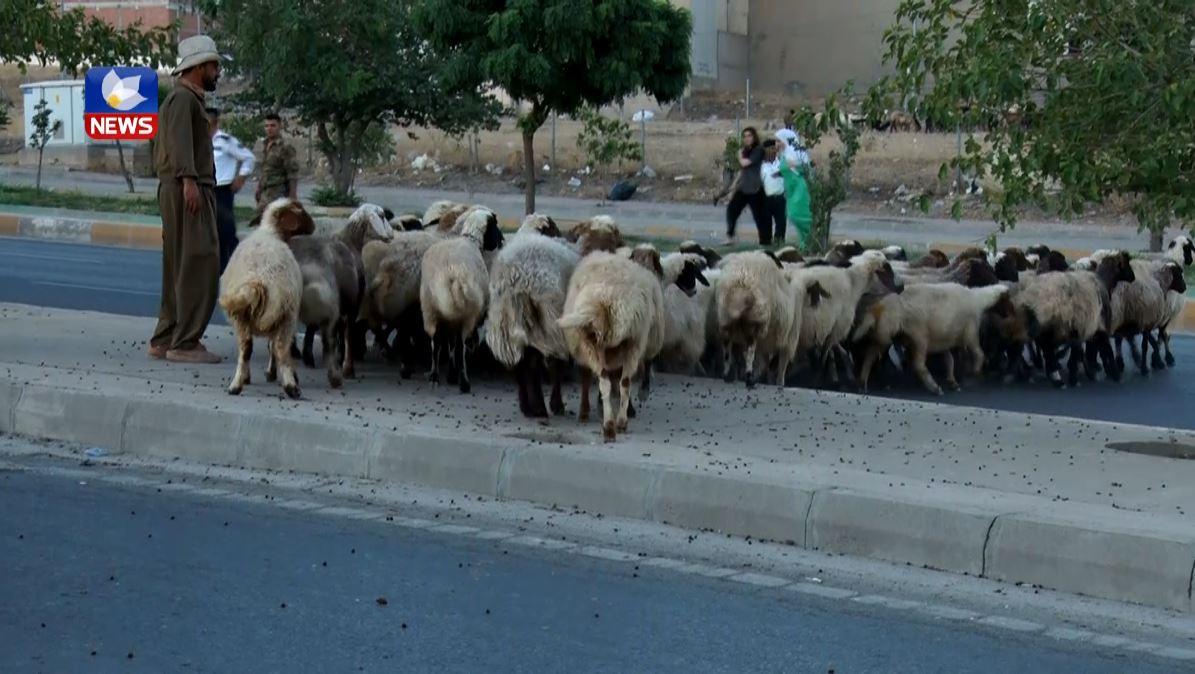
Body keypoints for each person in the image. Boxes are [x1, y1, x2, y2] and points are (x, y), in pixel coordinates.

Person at [147, 35, 223, 364]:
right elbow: (179, 144)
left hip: (182, 187)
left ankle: (166, 339)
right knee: (199, 263)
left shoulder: (188, 99)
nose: (218, 71)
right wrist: (189, 179)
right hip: (187, 188)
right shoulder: (182, 100)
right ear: (198, 67)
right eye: (214, 65)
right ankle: (185, 343)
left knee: (179, 265)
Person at [207, 107, 255, 273]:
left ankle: (237, 266)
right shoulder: (199, 141)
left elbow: (248, 157)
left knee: (226, 230)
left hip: (222, 190)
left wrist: (241, 178)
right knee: (209, 231)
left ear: (215, 121)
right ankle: (217, 266)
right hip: (206, 190)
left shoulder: (225, 141)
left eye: (209, 120)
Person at [724, 127, 770, 246]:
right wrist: (733, 187)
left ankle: (764, 242)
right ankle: (731, 236)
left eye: (749, 135)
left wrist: (739, 155)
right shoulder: (745, 151)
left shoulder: (758, 150)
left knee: (760, 218)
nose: (747, 138)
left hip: (755, 189)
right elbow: (742, 170)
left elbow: (745, 163)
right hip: (743, 188)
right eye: (744, 136)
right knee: (732, 210)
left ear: (754, 137)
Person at [252, 112, 299, 225]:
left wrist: (292, 196)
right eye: (267, 126)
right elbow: (265, 169)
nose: (269, 129)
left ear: (279, 126)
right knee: (261, 221)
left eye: (273, 125)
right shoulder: (265, 145)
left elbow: (292, 173)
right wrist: (258, 188)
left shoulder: (285, 147)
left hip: (278, 192)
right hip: (265, 191)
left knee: (274, 223)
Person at [776, 129, 814, 251]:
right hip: (791, 190)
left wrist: (794, 167)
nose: (776, 144)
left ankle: (811, 241)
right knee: (793, 215)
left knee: (798, 215)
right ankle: (805, 244)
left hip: (799, 189)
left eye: (778, 141)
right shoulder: (785, 154)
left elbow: (803, 169)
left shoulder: (794, 153)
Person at [760, 139, 787, 243]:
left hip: (780, 198)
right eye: (771, 148)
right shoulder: (761, 166)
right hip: (766, 200)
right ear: (766, 150)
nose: (775, 150)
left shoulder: (781, 163)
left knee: (781, 224)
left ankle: (779, 243)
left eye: (775, 148)